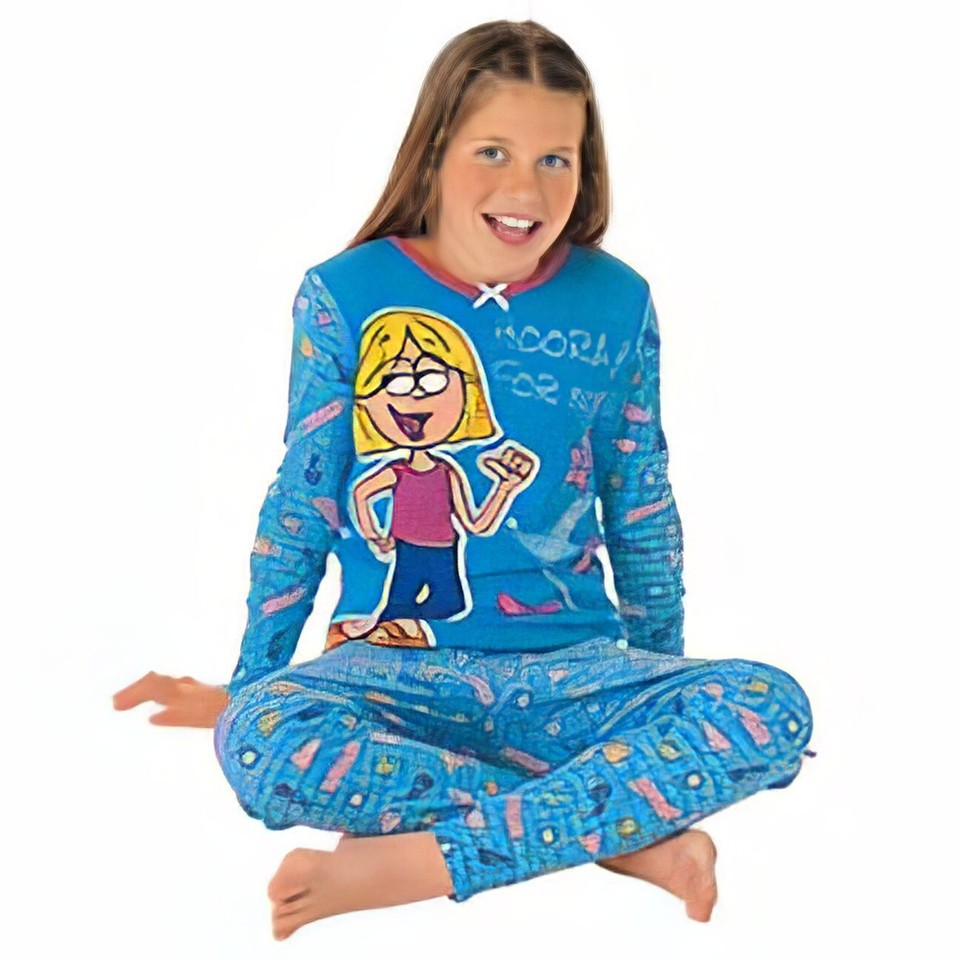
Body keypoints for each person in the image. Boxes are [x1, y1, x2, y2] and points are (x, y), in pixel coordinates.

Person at [113, 19, 814, 941]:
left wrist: (658, 681)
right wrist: (251, 683)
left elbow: (641, 504)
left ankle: (420, 862)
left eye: (556, 160)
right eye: (494, 152)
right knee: (261, 743)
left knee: (769, 709)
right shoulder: (344, 294)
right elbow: (303, 503)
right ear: (437, 148)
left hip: (572, 672)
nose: (526, 190)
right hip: (389, 675)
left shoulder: (617, 301)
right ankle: (623, 837)